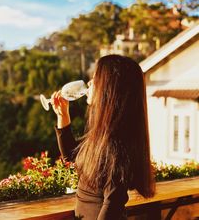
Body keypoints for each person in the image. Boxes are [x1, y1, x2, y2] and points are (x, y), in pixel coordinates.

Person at [51, 54, 155, 220]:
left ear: (109, 89)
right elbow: (71, 156)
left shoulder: (116, 148)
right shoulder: (102, 136)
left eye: (95, 78)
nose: (90, 83)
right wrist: (63, 116)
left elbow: (111, 207)